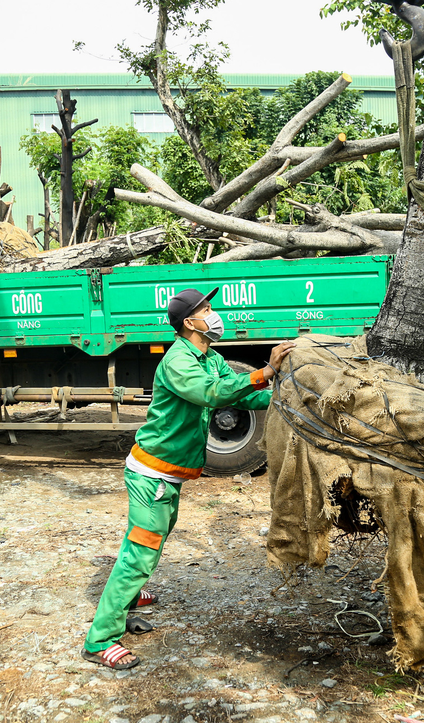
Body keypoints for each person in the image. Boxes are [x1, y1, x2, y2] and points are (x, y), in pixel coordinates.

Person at [81, 287, 295, 671]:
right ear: (188, 322)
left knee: (149, 546)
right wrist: (266, 371)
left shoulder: (209, 357)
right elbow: (210, 394)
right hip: (152, 476)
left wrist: (285, 395)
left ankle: (125, 604)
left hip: (168, 477)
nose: (214, 315)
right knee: (140, 555)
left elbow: (241, 396)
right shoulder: (179, 361)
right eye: (207, 309)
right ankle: (100, 639)